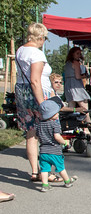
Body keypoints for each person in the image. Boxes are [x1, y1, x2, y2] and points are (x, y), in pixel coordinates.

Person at [14, 22, 59, 183]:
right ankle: (47, 173)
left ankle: (35, 171)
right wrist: (43, 104)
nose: (44, 41)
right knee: (48, 134)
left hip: (21, 92)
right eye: (45, 38)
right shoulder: (37, 53)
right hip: (38, 94)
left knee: (31, 133)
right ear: (40, 37)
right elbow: (35, 80)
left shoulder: (20, 50)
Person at [36, 97, 77, 192]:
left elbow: (38, 136)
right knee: (61, 167)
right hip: (54, 151)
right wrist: (64, 142)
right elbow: (57, 136)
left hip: (43, 151)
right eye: (56, 113)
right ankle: (67, 181)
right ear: (51, 114)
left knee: (44, 169)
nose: (58, 114)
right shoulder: (54, 124)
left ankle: (45, 185)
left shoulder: (39, 125)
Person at [64, 46, 91, 141]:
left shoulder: (67, 64)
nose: (79, 55)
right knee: (85, 111)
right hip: (76, 86)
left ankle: (69, 132)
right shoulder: (76, 63)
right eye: (77, 53)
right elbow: (77, 76)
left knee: (71, 110)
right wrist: (84, 76)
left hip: (68, 87)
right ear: (73, 54)